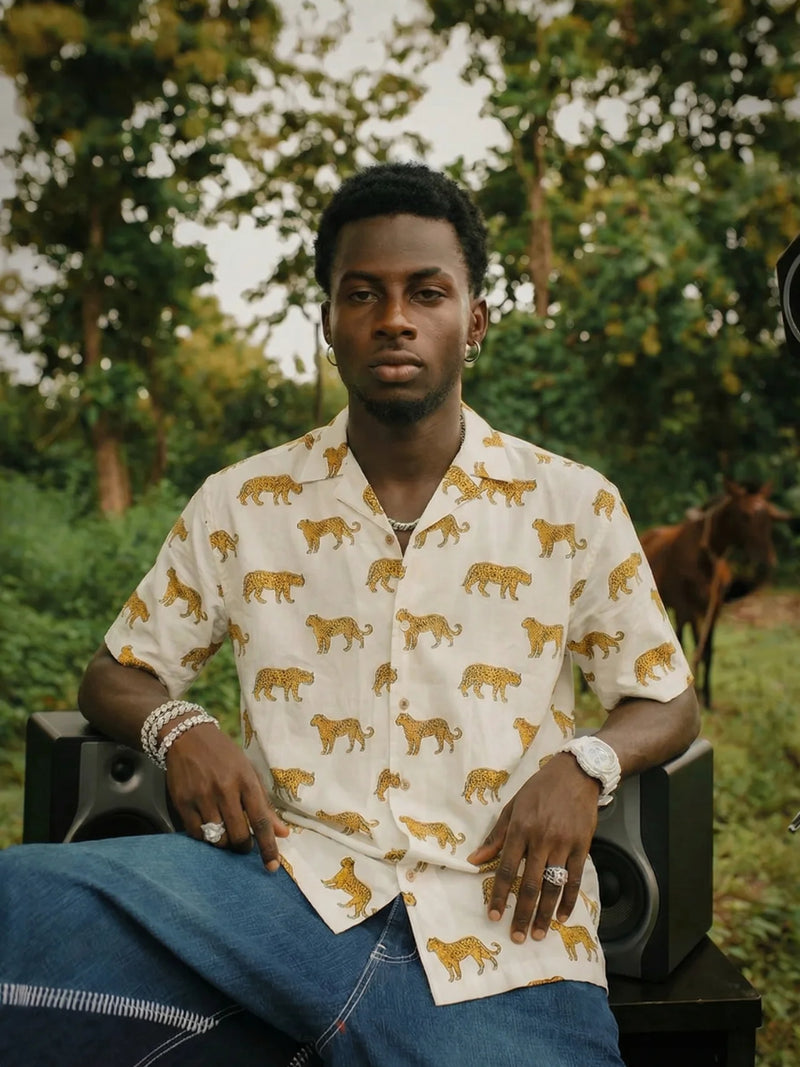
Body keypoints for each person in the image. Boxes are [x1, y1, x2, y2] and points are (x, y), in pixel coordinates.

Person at [0, 162, 699, 1066]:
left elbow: (666, 696)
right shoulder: (240, 502)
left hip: (504, 939)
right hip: (272, 899)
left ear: (475, 321)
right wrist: (181, 727)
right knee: (19, 909)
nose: (394, 317)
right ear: (328, 324)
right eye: (363, 293)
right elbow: (115, 673)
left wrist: (584, 764)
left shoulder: (573, 503)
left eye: (427, 292)